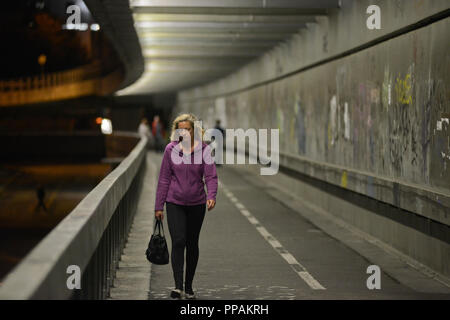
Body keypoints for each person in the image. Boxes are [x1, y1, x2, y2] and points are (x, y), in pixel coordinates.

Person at [154, 113, 218, 300]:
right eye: (180, 129)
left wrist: (211, 195)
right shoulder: (170, 150)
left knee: (192, 243)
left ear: (194, 130)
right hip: (174, 202)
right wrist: (159, 206)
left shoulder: (204, 150)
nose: (184, 132)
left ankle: (189, 287)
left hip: (197, 203)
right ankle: (177, 286)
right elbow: (164, 178)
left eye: (187, 129)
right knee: (179, 241)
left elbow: (211, 176)